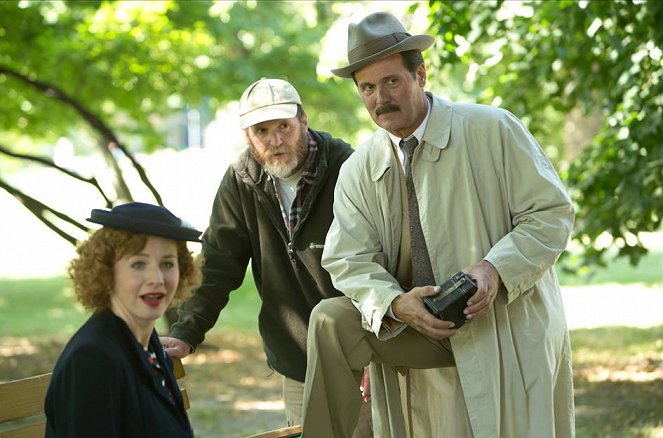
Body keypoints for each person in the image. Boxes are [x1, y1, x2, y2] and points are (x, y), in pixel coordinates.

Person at [301, 11, 576, 438]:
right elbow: (347, 258)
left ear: (421, 75)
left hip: (499, 324)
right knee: (328, 321)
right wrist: (394, 304)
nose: (380, 98)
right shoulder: (358, 168)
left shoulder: (493, 129)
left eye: (392, 81)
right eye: (367, 88)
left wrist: (494, 270)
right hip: (417, 324)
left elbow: (550, 213)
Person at [160, 78, 371, 435]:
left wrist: (374, 351)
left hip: (361, 355)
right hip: (297, 360)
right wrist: (186, 330)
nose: (276, 141)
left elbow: (377, 261)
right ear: (248, 135)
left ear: (303, 120)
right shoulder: (242, 181)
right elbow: (217, 264)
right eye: (262, 130)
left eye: (284, 127)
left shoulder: (348, 168)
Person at [45, 202, 202, 438]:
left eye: (167, 263)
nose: (157, 278)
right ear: (107, 272)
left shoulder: (149, 345)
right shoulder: (92, 359)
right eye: (138, 264)